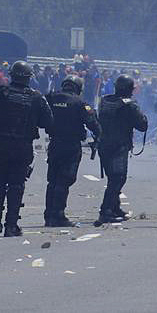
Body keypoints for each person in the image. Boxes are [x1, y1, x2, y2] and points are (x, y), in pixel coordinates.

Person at [0, 61, 53, 237]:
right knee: (17, 184)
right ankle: (11, 225)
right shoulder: (36, 97)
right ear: (29, 78)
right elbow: (48, 123)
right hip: (23, 146)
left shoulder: (0, 93)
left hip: (1, 144)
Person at [42, 76, 100, 227]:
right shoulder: (80, 103)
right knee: (64, 180)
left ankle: (49, 214)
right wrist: (99, 134)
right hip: (71, 145)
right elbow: (93, 123)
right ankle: (58, 215)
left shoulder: (51, 98)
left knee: (53, 180)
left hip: (54, 143)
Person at [94, 75, 144, 225]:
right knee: (118, 178)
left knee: (113, 177)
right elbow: (142, 125)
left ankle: (115, 208)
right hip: (119, 146)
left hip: (104, 145)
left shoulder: (104, 100)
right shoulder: (129, 104)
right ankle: (106, 211)